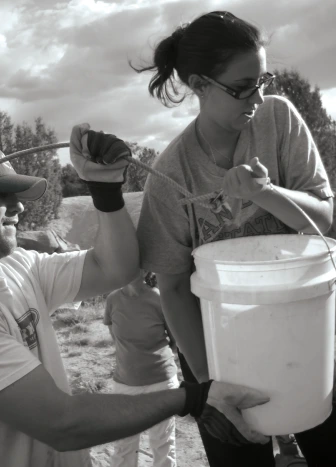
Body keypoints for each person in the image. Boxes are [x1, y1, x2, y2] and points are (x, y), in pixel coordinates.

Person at [0, 129, 271, 467]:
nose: (18, 205)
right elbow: (62, 423)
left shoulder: (18, 267)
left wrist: (105, 189)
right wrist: (191, 399)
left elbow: (114, 268)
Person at [133, 10, 336, 467]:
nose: (258, 97)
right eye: (243, 87)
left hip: (303, 325)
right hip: (220, 346)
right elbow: (173, 288)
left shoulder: (278, 120)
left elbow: (322, 221)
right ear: (199, 84)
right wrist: (211, 385)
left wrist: (266, 193)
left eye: (264, 80)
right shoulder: (171, 175)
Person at [104, 269, 178, 466]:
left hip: (161, 381)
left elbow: (175, 339)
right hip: (125, 382)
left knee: (163, 444)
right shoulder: (112, 299)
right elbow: (116, 338)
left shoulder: (159, 298)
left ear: (145, 270)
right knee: (123, 446)